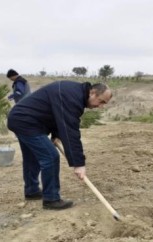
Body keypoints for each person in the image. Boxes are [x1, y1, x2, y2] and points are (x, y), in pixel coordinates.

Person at [7, 81, 112, 210]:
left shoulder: (74, 94)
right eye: (101, 102)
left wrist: (55, 135)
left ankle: (32, 191)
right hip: (26, 122)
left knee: (32, 157)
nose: (101, 106)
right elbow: (70, 131)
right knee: (50, 157)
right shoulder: (73, 97)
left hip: (22, 119)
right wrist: (78, 164)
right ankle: (51, 199)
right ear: (93, 93)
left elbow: (59, 116)